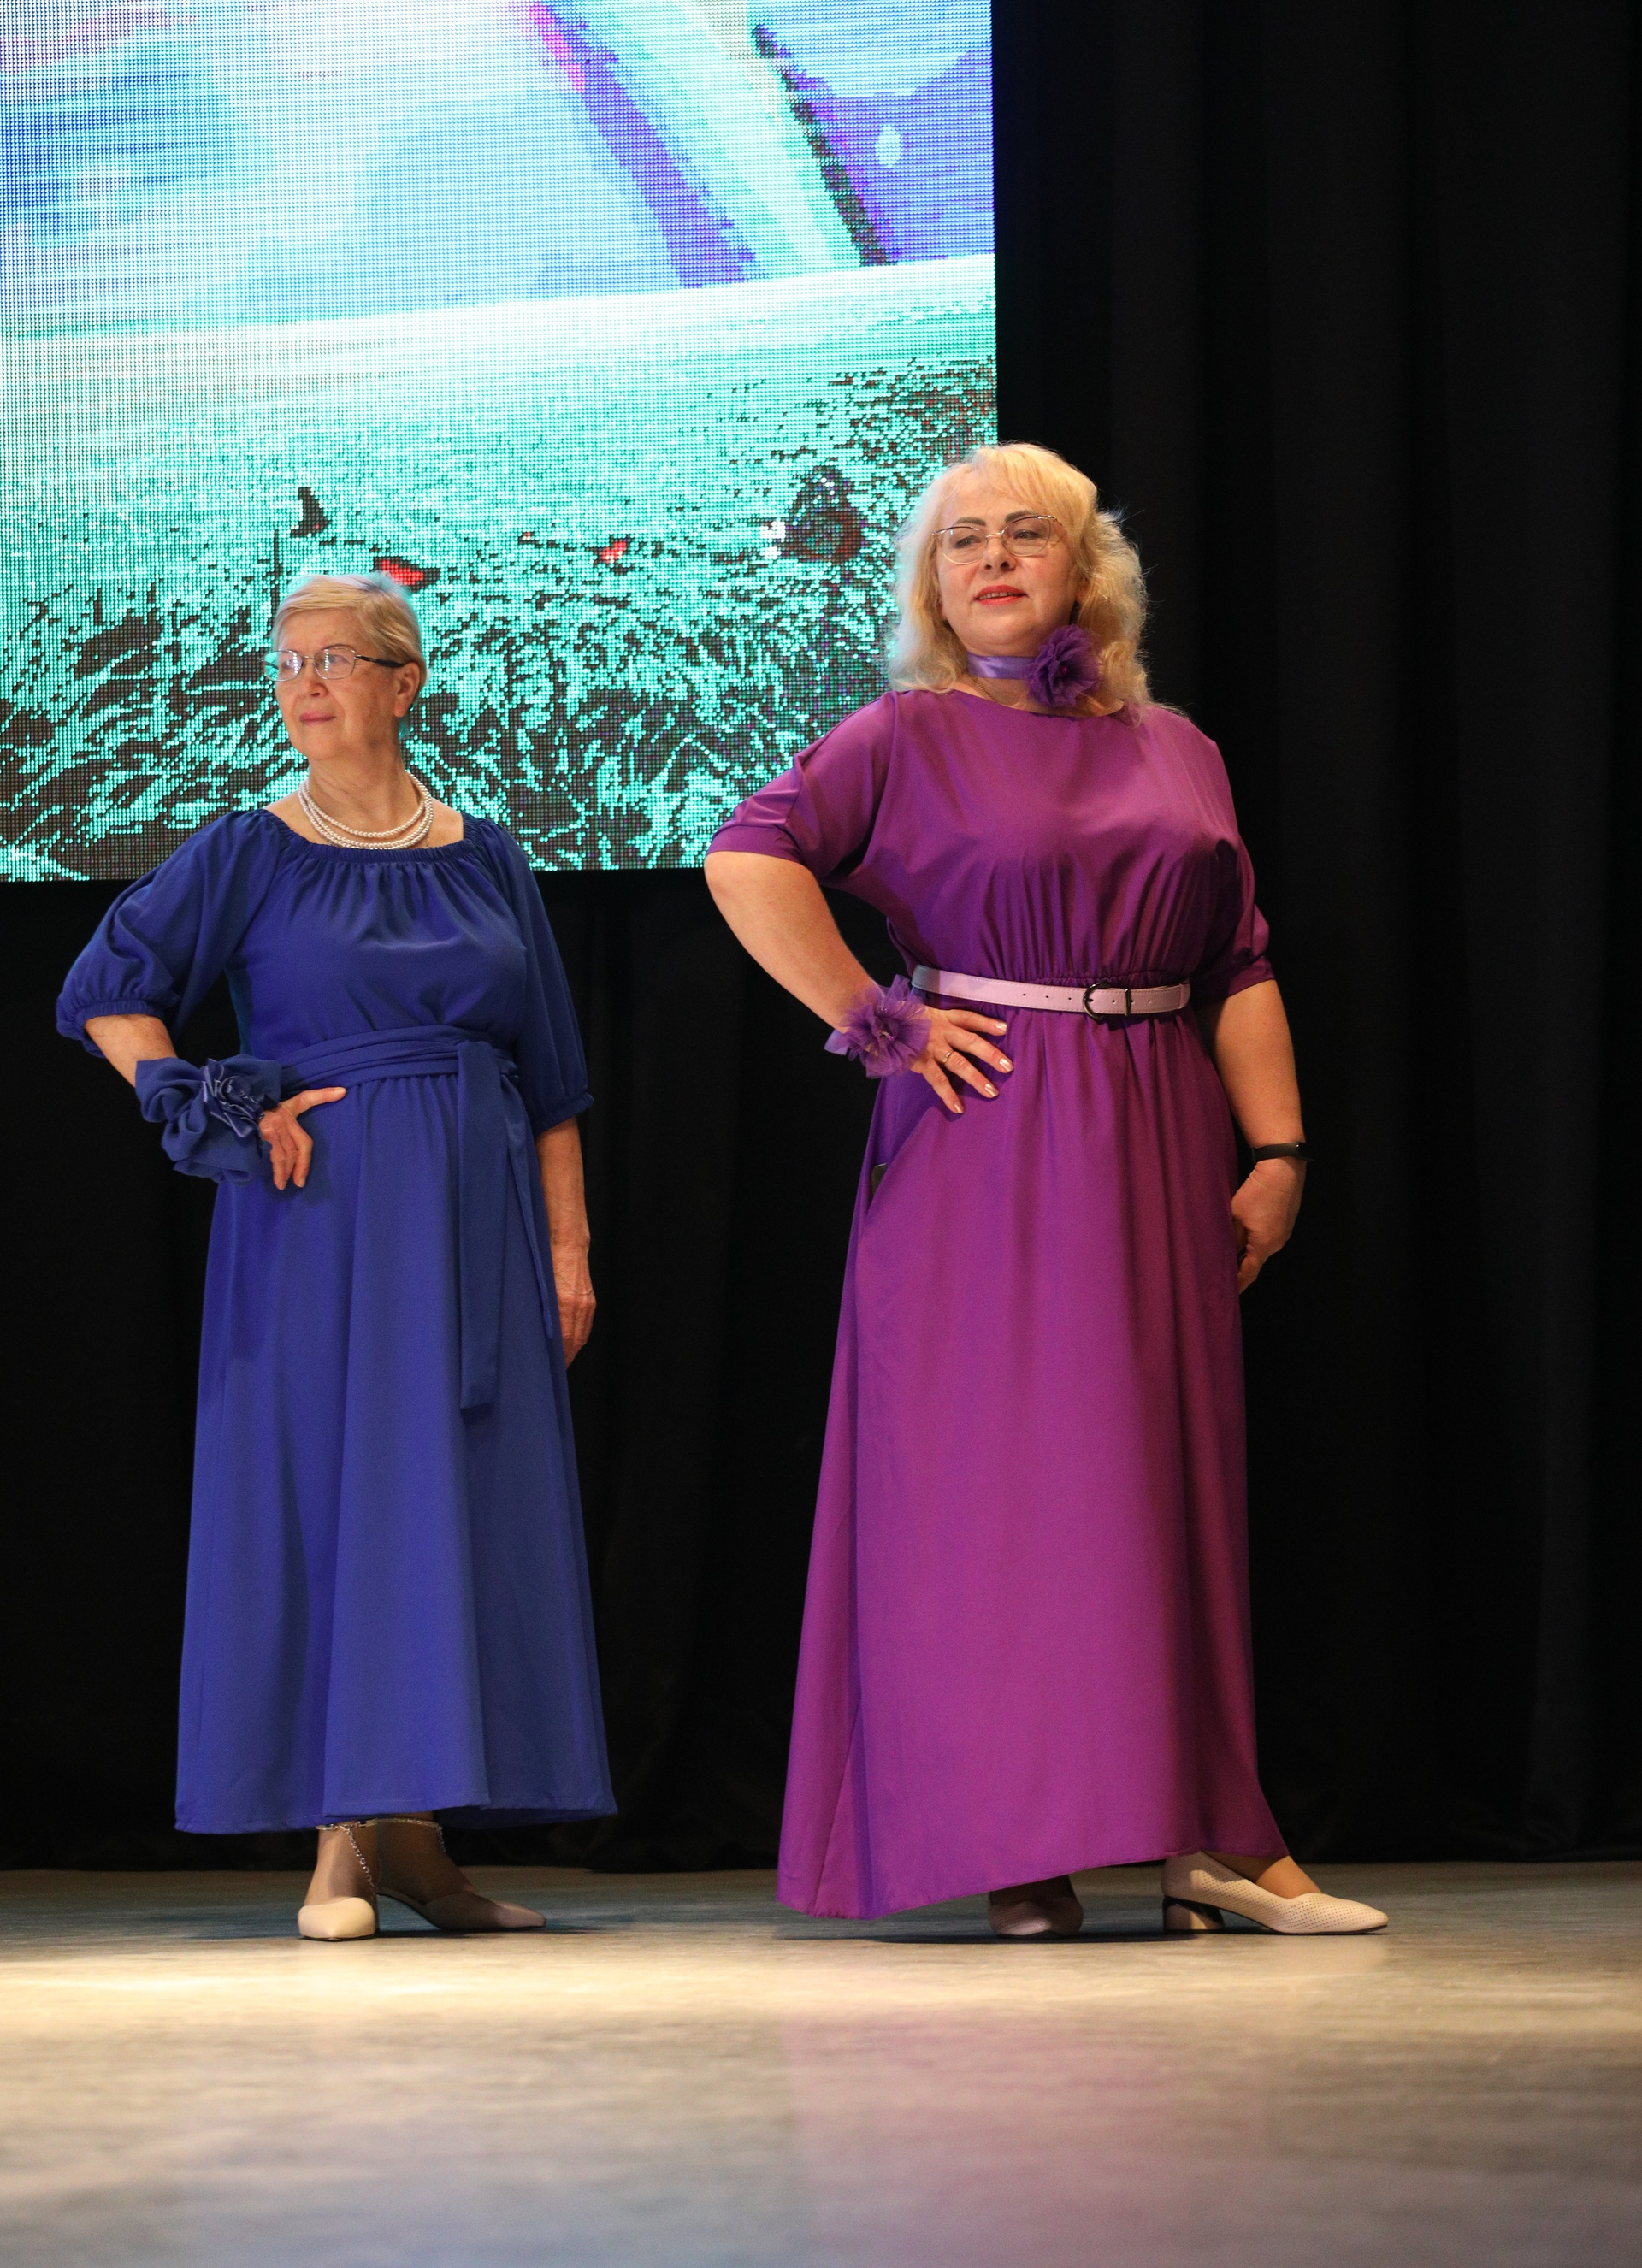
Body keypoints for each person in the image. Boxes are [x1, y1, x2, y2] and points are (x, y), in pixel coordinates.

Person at [705, 444, 1386, 1939]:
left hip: (1158, 1128)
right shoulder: (905, 734)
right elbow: (747, 856)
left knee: (1163, 1485)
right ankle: (1024, 1844)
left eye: (1028, 533)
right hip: (988, 1137)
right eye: (964, 541)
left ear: (1088, 570)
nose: (995, 558)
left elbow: (1239, 960)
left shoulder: (1176, 746)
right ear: (933, 586)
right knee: (1008, 1495)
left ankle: (1212, 1839)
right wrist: (873, 1016)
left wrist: (1278, 1155)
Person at [57, 574, 612, 1940]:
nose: (304, 683)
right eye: (289, 661)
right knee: (343, 1497)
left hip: (476, 1220)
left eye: (336, 659)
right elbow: (106, 991)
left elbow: (550, 1076)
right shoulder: (248, 850)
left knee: (456, 1506)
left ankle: (417, 1844)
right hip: (321, 1225)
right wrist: (203, 1098)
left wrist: (568, 1248)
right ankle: (341, 1838)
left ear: (403, 682)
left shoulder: (487, 854)